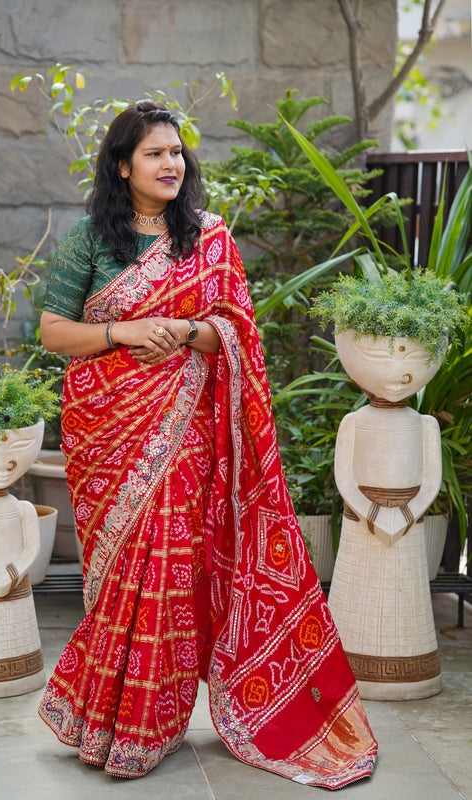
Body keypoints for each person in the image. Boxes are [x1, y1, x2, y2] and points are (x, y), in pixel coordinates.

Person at [38, 99, 377, 788]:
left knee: (167, 564)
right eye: (154, 153)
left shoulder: (209, 239)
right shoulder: (88, 241)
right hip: (109, 428)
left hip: (186, 423)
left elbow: (235, 328)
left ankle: (146, 728)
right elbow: (50, 331)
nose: (170, 164)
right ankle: (100, 720)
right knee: (121, 575)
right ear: (121, 164)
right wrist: (125, 332)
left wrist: (189, 332)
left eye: (176, 153)